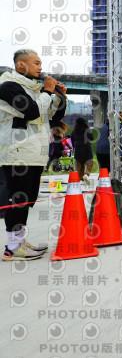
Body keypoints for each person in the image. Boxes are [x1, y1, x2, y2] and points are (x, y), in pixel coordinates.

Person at [0, 49, 67, 261]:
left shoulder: (34, 89)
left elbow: (51, 115)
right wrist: (47, 93)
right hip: (17, 153)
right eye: (36, 62)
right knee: (17, 199)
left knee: (27, 199)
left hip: (34, 152)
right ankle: (12, 247)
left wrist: (59, 97)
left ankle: (20, 241)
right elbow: (31, 112)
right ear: (21, 64)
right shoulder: (8, 87)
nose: (40, 67)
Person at [71, 117, 94, 183]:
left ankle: (81, 179)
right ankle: (87, 174)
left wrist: (74, 147)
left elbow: (72, 141)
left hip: (78, 150)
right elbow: (92, 138)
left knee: (79, 166)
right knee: (89, 163)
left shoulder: (74, 131)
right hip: (87, 149)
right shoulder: (87, 130)